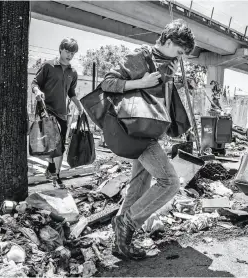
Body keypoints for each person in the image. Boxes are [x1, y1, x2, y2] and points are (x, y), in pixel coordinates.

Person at [101, 19, 195, 260]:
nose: (181, 57)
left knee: (140, 182)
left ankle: (121, 239)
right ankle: (127, 223)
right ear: (169, 41)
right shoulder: (140, 57)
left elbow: (162, 101)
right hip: (137, 132)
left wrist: (171, 80)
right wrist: (140, 82)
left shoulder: (168, 65)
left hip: (150, 131)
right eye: (180, 51)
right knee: (170, 182)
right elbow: (107, 83)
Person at [31, 38, 84, 188]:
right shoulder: (48, 65)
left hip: (62, 113)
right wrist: (37, 91)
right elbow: (35, 82)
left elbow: (71, 92)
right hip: (46, 110)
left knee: (60, 146)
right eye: (67, 51)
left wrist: (80, 106)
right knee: (50, 142)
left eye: (72, 53)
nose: (69, 55)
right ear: (60, 49)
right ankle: (54, 171)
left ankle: (55, 173)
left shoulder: (73, 73)